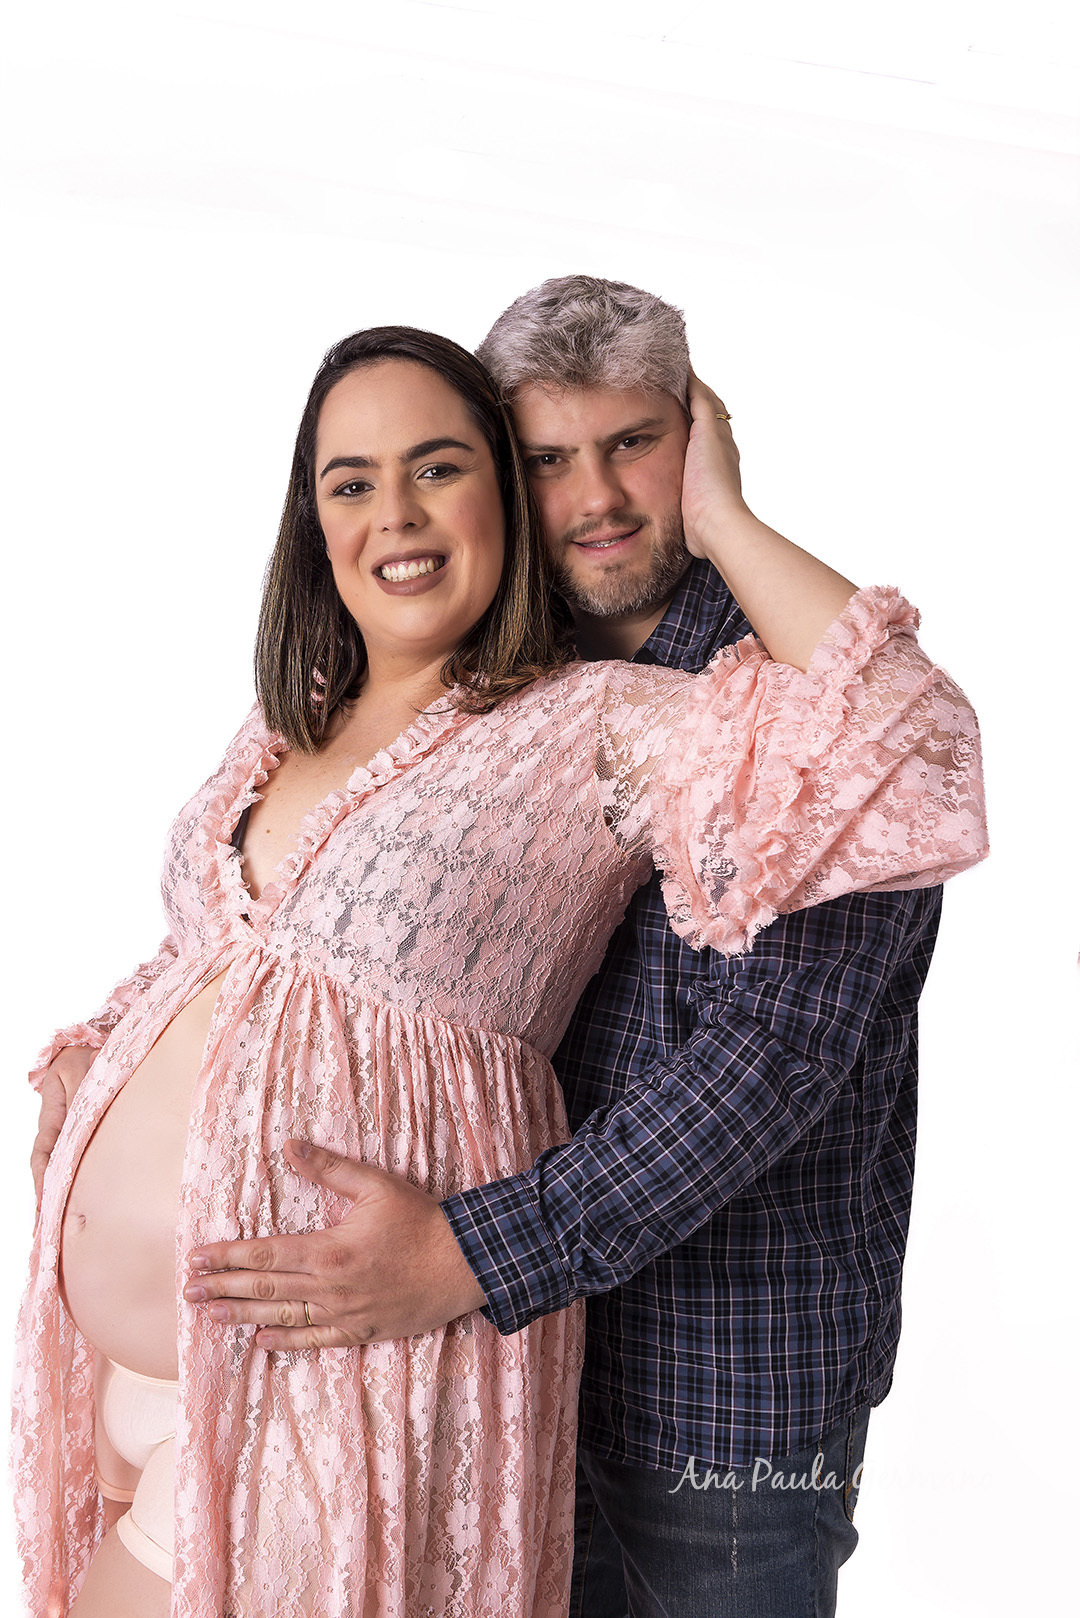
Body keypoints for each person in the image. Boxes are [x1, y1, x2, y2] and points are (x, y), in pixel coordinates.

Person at [20, 321, 985, 1618]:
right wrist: (103, 1058)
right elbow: (227, 949)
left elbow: (908, 756)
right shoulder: (304, 705)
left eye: (438, 467)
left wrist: (724, 517)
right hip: (158, 1366)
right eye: (352, 480)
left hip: (379, 1376)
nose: (396, 512)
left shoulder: (604, 718)